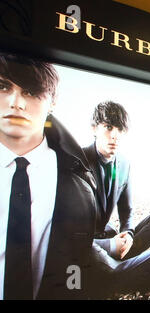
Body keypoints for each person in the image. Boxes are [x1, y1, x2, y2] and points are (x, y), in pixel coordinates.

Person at [0, 52, 97, 299]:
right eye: (3, 86)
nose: (16, 102)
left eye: (31, 91)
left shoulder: (78, 184)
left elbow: (75, 274)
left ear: (53, 102)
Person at [83, 101, 150, 298]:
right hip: (86, 245)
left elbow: (127, 212)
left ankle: (121, 264)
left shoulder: (124, 165)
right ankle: (120, 271)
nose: (115, 135)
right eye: (108, 127)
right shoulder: (78, 160)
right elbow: (67, 232)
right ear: (94, 128)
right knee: (109, 269)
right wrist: (110, 246)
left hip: (109, 236)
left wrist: (128, 235)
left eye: (120, 129)